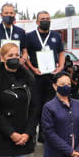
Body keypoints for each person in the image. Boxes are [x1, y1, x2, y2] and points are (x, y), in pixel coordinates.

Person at [0, 3, 28, 147]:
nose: (10, 15)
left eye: (12, 13)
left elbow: (25, 51)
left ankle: (15, 132)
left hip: (16, 72)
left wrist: (24, 58)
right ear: (1, 14)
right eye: (7, 12)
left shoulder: (20, 32)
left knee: (15, 100)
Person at [25, 11, 65, 143]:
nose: (45, 21)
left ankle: (45, 134)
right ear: (37, 21)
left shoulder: (56, 36)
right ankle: (31, 134)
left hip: (51, 77)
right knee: (34, 105)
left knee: (49, 105)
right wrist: (32, 68)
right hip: (36, 76)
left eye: (48, 19)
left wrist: (60, 67)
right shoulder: (29, 36)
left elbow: (61, 53)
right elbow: (25, 55)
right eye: (42, 19)